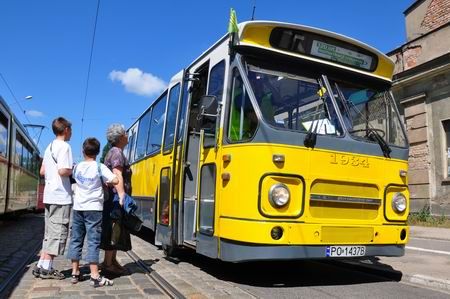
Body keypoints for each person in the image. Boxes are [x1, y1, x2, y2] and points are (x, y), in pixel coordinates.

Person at [67, 138, 118, 287]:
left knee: (76, 239)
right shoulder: (99, 166)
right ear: (97, 152)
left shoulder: (76, 168)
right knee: (93, 241)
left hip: (78, 207)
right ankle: (95, 276)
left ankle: (75, 272)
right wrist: (106, 181)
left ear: (83, 151)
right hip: (94, 209)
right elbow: (115, 180)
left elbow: (74, 180)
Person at [33, 117, 73, 279]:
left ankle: (41, 264)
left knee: (49, 232)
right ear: (66, 130)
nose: (71, 133)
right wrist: (72, 169)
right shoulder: (65, 147)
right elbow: (63, 171)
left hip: (49, 195)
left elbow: (42, 171)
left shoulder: (49, 147)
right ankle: (47, 268)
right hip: (60, 196)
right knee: (58, 232)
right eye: (70, 129)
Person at [100, 124, 132, 274]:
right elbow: (117, 175)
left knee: (116, 229)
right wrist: (121, 195)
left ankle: (112, 260)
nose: (127, 135)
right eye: (125, 133)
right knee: (114, 228)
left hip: (112, 197)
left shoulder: (113, 151)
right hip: (114, 198)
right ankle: (107, 263)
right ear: (120, 137)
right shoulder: (117, 153)